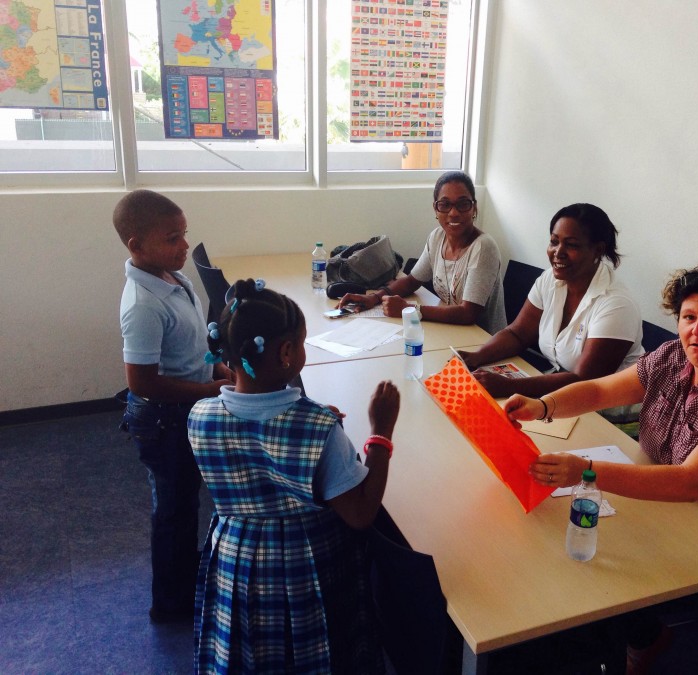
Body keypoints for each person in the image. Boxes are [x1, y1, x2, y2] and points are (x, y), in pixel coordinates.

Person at [505, 258, 698, 674]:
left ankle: (627, 638)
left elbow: (690, 482)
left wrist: (584, 469)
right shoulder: (674, 357)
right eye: (688, 317)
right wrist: (542, 407)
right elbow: (600, 391)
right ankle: (640, 634)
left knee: (592, 565)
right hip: (667, 504)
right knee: (567, 544)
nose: (697, 331)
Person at [188, 278, 399, 674]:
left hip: (236, 560)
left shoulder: (199, 416)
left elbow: (255, 445)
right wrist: (381, 434)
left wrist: (312, 425)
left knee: (251, 647)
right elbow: (360, 513)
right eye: (301, 343)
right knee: (311, 650)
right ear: (287, 353)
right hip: (306, 566)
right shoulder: (318, 428)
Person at [113, 189, 234, 623]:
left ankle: (186, 574)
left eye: (184, 233)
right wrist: (210, 391)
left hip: (188, 406)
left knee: (185, 503)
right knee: (173, 508)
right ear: (137, 245)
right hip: (163, 420)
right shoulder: (143, 305)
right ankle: (170, 604)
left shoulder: (173, 278)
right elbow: (142, 383)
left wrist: (217, 367)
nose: (184, 245)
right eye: (172, 238)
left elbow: (194, 340)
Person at [458, 203, 643, 399]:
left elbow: (584, 382)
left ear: (598, 250)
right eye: (554, 242)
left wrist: (509, 387)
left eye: (571, 245)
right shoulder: (550, 279)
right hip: (559, 387)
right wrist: (475, 357)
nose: (558, 252)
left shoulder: (616, 305)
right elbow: (517, 333)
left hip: (606, 408)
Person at [338, 170, 507, 334]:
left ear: (474, 208)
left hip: (483, 341)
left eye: (463, 204)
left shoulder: (484, 247)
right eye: (445, 205)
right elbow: (411, 281)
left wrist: (410, 310)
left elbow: (468, 313)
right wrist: (374, 298)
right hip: (450, 332)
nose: (454, 213)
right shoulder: (437, 237)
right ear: (436, 209)